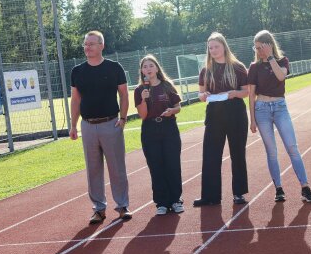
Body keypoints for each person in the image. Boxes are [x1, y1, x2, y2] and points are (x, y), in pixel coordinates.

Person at [247, 30, 311, 203]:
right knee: (271, 151)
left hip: (280, 107)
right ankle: (278, 189)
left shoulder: (282, 61)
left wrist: (271, 58)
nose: (258, 51)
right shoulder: (254, 67)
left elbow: (280, 76)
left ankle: (305, 187)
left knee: (292, 147)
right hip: (261, 109)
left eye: (261, 47)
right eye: (256, 48)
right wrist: (252, 119)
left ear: (269, 45)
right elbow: (251, 95)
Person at [70, 30, 132, 224]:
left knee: (117, 168)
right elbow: (75, 99)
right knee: (93, 170)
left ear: (101, 46)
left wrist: (122, 119)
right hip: (87, 126)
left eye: (91, 44)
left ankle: (122, 206)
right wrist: (73, 125)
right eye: (85, 44)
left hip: (111, 123)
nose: (87, 47)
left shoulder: (114, 68)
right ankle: (99, 209)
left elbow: (123, 94)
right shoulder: (77, 71)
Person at [193, 32, 249, 207]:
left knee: (237, 153)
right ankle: (210, 196)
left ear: (224, 46)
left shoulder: (238, 67)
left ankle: (238, 193)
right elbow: (200, 94)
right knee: (211, 155)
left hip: (235, 112)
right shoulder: (205, 70)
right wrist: (204, 95)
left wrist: (234, 93)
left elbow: (246, 91)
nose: (213, 50)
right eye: (210, 47)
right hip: (214, 113)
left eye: (216, 46)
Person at [134, 54, 184, 215]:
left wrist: (171, 111)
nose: (148, 69)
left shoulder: (167, 85)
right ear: (141, 71)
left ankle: (176, 200)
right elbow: (142, 115)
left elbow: (178, 107)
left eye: (151, 65)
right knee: (155, 166)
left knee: (172, 164)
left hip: (169, 127)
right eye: (145, 66)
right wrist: (142, 100)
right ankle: (161, 202)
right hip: (149, 129)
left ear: (156, 68)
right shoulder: (139, 90)